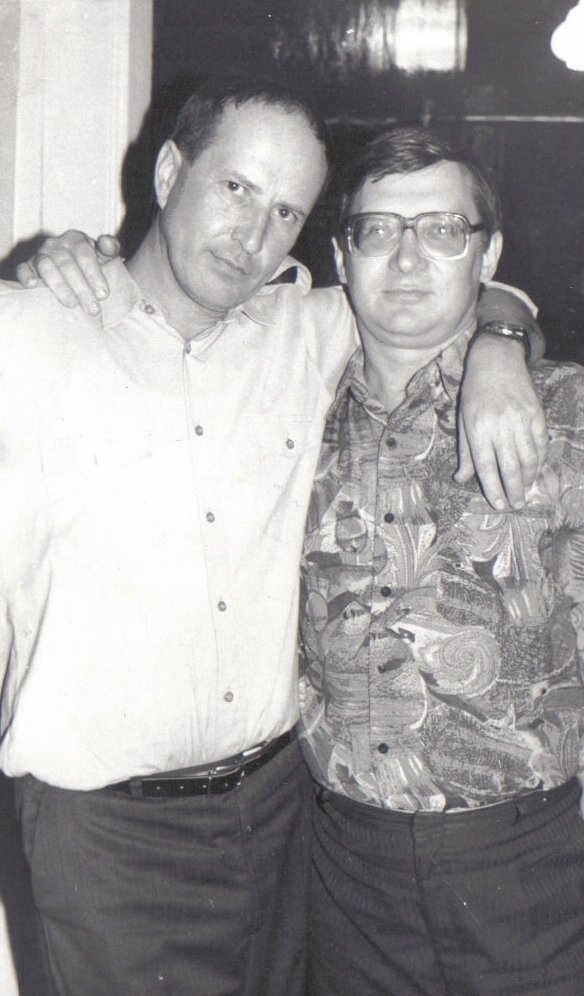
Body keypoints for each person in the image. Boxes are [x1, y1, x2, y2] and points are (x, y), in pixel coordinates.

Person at [4, 79, 542, 995]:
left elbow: (453, 287)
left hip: (282, 813)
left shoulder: (309, 331)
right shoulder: (23, 337)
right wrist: (50, 252)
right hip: (106, 838)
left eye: (286, 211)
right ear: (169, 172)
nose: (253, 235)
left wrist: (499, 342)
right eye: (237, 188)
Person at [298, 125, 584, 996]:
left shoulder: (565, 416)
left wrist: (502, 336)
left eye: (443, 230)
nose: (408, 258)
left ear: (487, 255)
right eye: (378, 230)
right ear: (342, 257)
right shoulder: (287, 411)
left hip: (533, 868)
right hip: (342, 873)